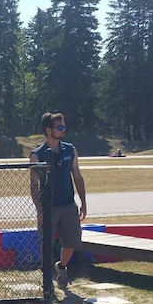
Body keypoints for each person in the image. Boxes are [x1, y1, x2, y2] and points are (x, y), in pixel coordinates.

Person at [29, 112, 87, 290]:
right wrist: (39, 210)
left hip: (68, 204)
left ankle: (61, 266)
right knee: (46, 244)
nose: (63, 130)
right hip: (49, 207)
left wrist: (83, 202)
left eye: (64, 127)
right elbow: (34, 185)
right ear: (48, 130)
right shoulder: (37, 155)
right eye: (59, 127)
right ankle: (47, 281)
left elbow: (77, 176)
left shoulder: (70, 149)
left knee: (72, 242)